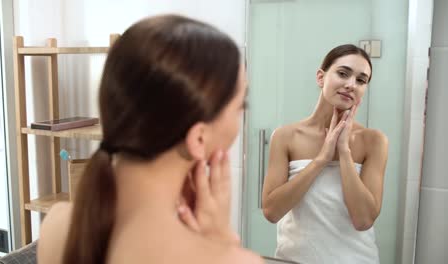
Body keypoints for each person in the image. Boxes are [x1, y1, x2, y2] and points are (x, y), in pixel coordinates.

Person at [37, 14, 263, 264]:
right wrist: (222, 244)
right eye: (242, 105)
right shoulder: (230, 260)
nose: (242, 118)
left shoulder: (55, 226)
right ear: (198, 138)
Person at [261, 44, 388, 263]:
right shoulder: (286, 136)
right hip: (294, 259)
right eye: (343, 73)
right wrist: (321, 159)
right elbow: (272, 212)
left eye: (361, 80)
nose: (351, 84)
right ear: (321, 77)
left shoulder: (373, 141)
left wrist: (344, 153)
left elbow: (363, 220)